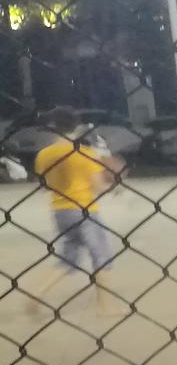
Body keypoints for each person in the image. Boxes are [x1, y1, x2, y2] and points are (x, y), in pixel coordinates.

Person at [32, 106, 124, 313]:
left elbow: (45, 186)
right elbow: (98, 186)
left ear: (52, 126)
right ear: (77, 126)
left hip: (60, 211)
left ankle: (37, 292)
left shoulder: (43, 155)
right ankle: (106, 306)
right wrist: (114, 186)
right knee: (101, 255)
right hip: (84, 210)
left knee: (68, 259)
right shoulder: (84, 153)